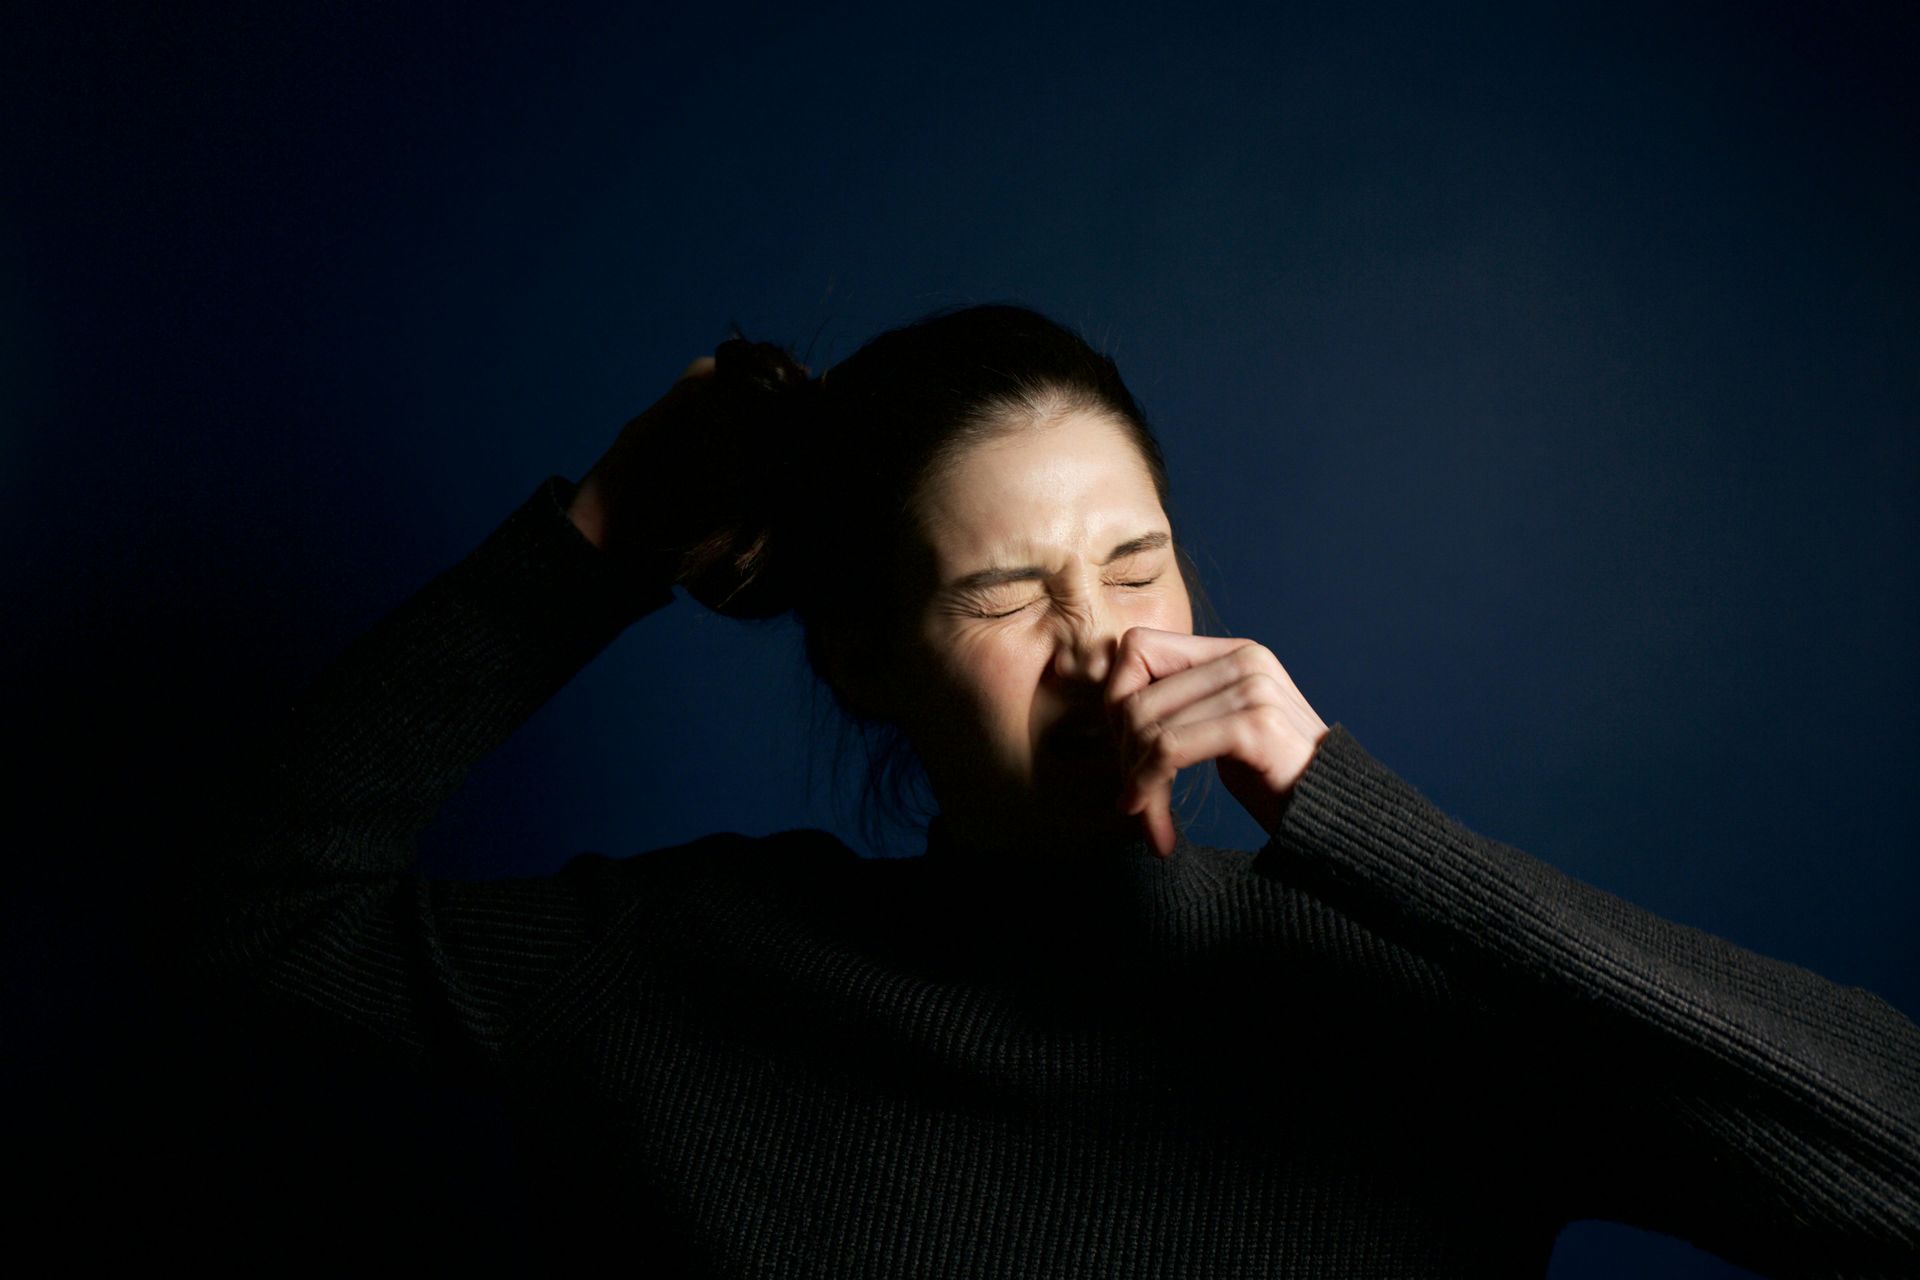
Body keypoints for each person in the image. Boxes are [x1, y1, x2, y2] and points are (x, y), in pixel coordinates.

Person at [171, 303, 1919, 1276]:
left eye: (1138, 565)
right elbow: (249, 920)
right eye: (1004, 597)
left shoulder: (1402, 1002)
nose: (1098, 645)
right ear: (863, 657)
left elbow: (1892, 1154)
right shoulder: (690, 970)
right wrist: (601, 544)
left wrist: (1358, 820)